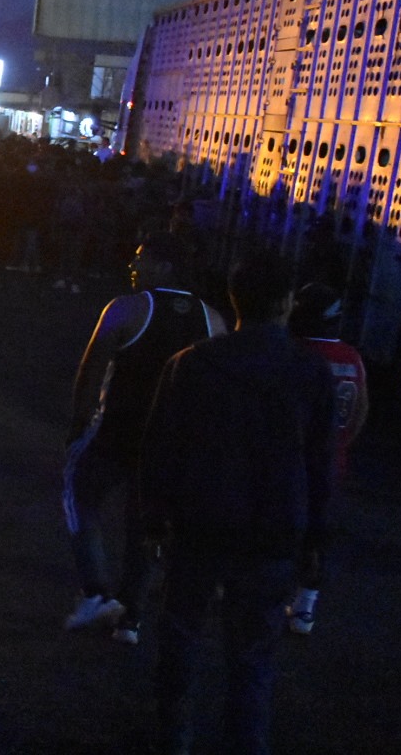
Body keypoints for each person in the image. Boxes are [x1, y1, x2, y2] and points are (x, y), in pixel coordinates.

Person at [141, 253, 337, 755]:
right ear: (288, 304)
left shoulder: (191, 364)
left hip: (199, 525)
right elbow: (319, 467)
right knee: (252, 660)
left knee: (181, 640)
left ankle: (173, 740)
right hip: (273, 533)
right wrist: (316, 540)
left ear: (234, 300)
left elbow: (161, 449)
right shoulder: (311, 374)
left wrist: (153, 520)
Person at [62, 232, 224, 643]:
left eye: (142, 260)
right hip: (173, 441)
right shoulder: (213, 320)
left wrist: (80, 421)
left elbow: (91, 367)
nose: (133, 267)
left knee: (79, 494)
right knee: (145, 525)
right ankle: (131, 618)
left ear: (165, 266)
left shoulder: (128, 308)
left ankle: (96, 590)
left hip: (119, 429)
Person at [284, 283, 369, 637]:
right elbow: (361, 410)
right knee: (318, 533)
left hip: (292, 463)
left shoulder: (296, 354)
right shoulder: (352, 358)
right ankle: (305, 607)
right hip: (333, 462)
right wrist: (342, 444)